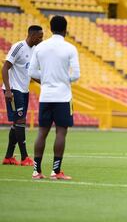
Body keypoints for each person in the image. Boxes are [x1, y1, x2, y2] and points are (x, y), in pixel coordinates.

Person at [28, 15, 80, 180]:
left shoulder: (40, 47)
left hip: (46, 96)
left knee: (42, 132)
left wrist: (47, 79)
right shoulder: (70, 48)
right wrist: (63, 79)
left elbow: (31, 72)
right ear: (65, 29)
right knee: (61, 133)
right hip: (63, 96)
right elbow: (76, 75)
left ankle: (36, 171)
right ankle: (55, 171)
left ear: (50, 29)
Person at [2, 25, 43, 166]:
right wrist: (8, 90)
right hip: (14, 89)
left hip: (24, 90)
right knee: (20, 121)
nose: (41, 39)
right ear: (32, 36)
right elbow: (5, 67)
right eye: (39, 37)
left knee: (17, 123)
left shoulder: (35, 50)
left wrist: (46, 82)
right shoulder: (18, 47)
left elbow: (31, 72)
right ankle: (25, 157)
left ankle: (8, 157)